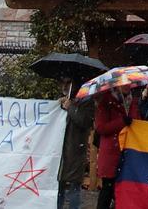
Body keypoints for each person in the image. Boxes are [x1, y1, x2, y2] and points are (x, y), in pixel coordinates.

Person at [94, 83, 142, 209]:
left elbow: (137, 123)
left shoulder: (132, 102)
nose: (127, 86)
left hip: (127, 152)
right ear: (116, 85)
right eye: (123, 83)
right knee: (108, 190)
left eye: (128, 83)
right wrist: (121, 122)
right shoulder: (106, 102)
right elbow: (101, 127)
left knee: (124, 190)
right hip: (111, 153)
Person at [57, 77, 95, 209]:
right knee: (59, 185)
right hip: (60, 149)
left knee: (74, 186)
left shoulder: (87, 100)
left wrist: (70, 108)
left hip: (75, 148)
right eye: (63, 82)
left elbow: (85, 121)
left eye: (68, 83)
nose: (65, 86)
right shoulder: (63, 100)